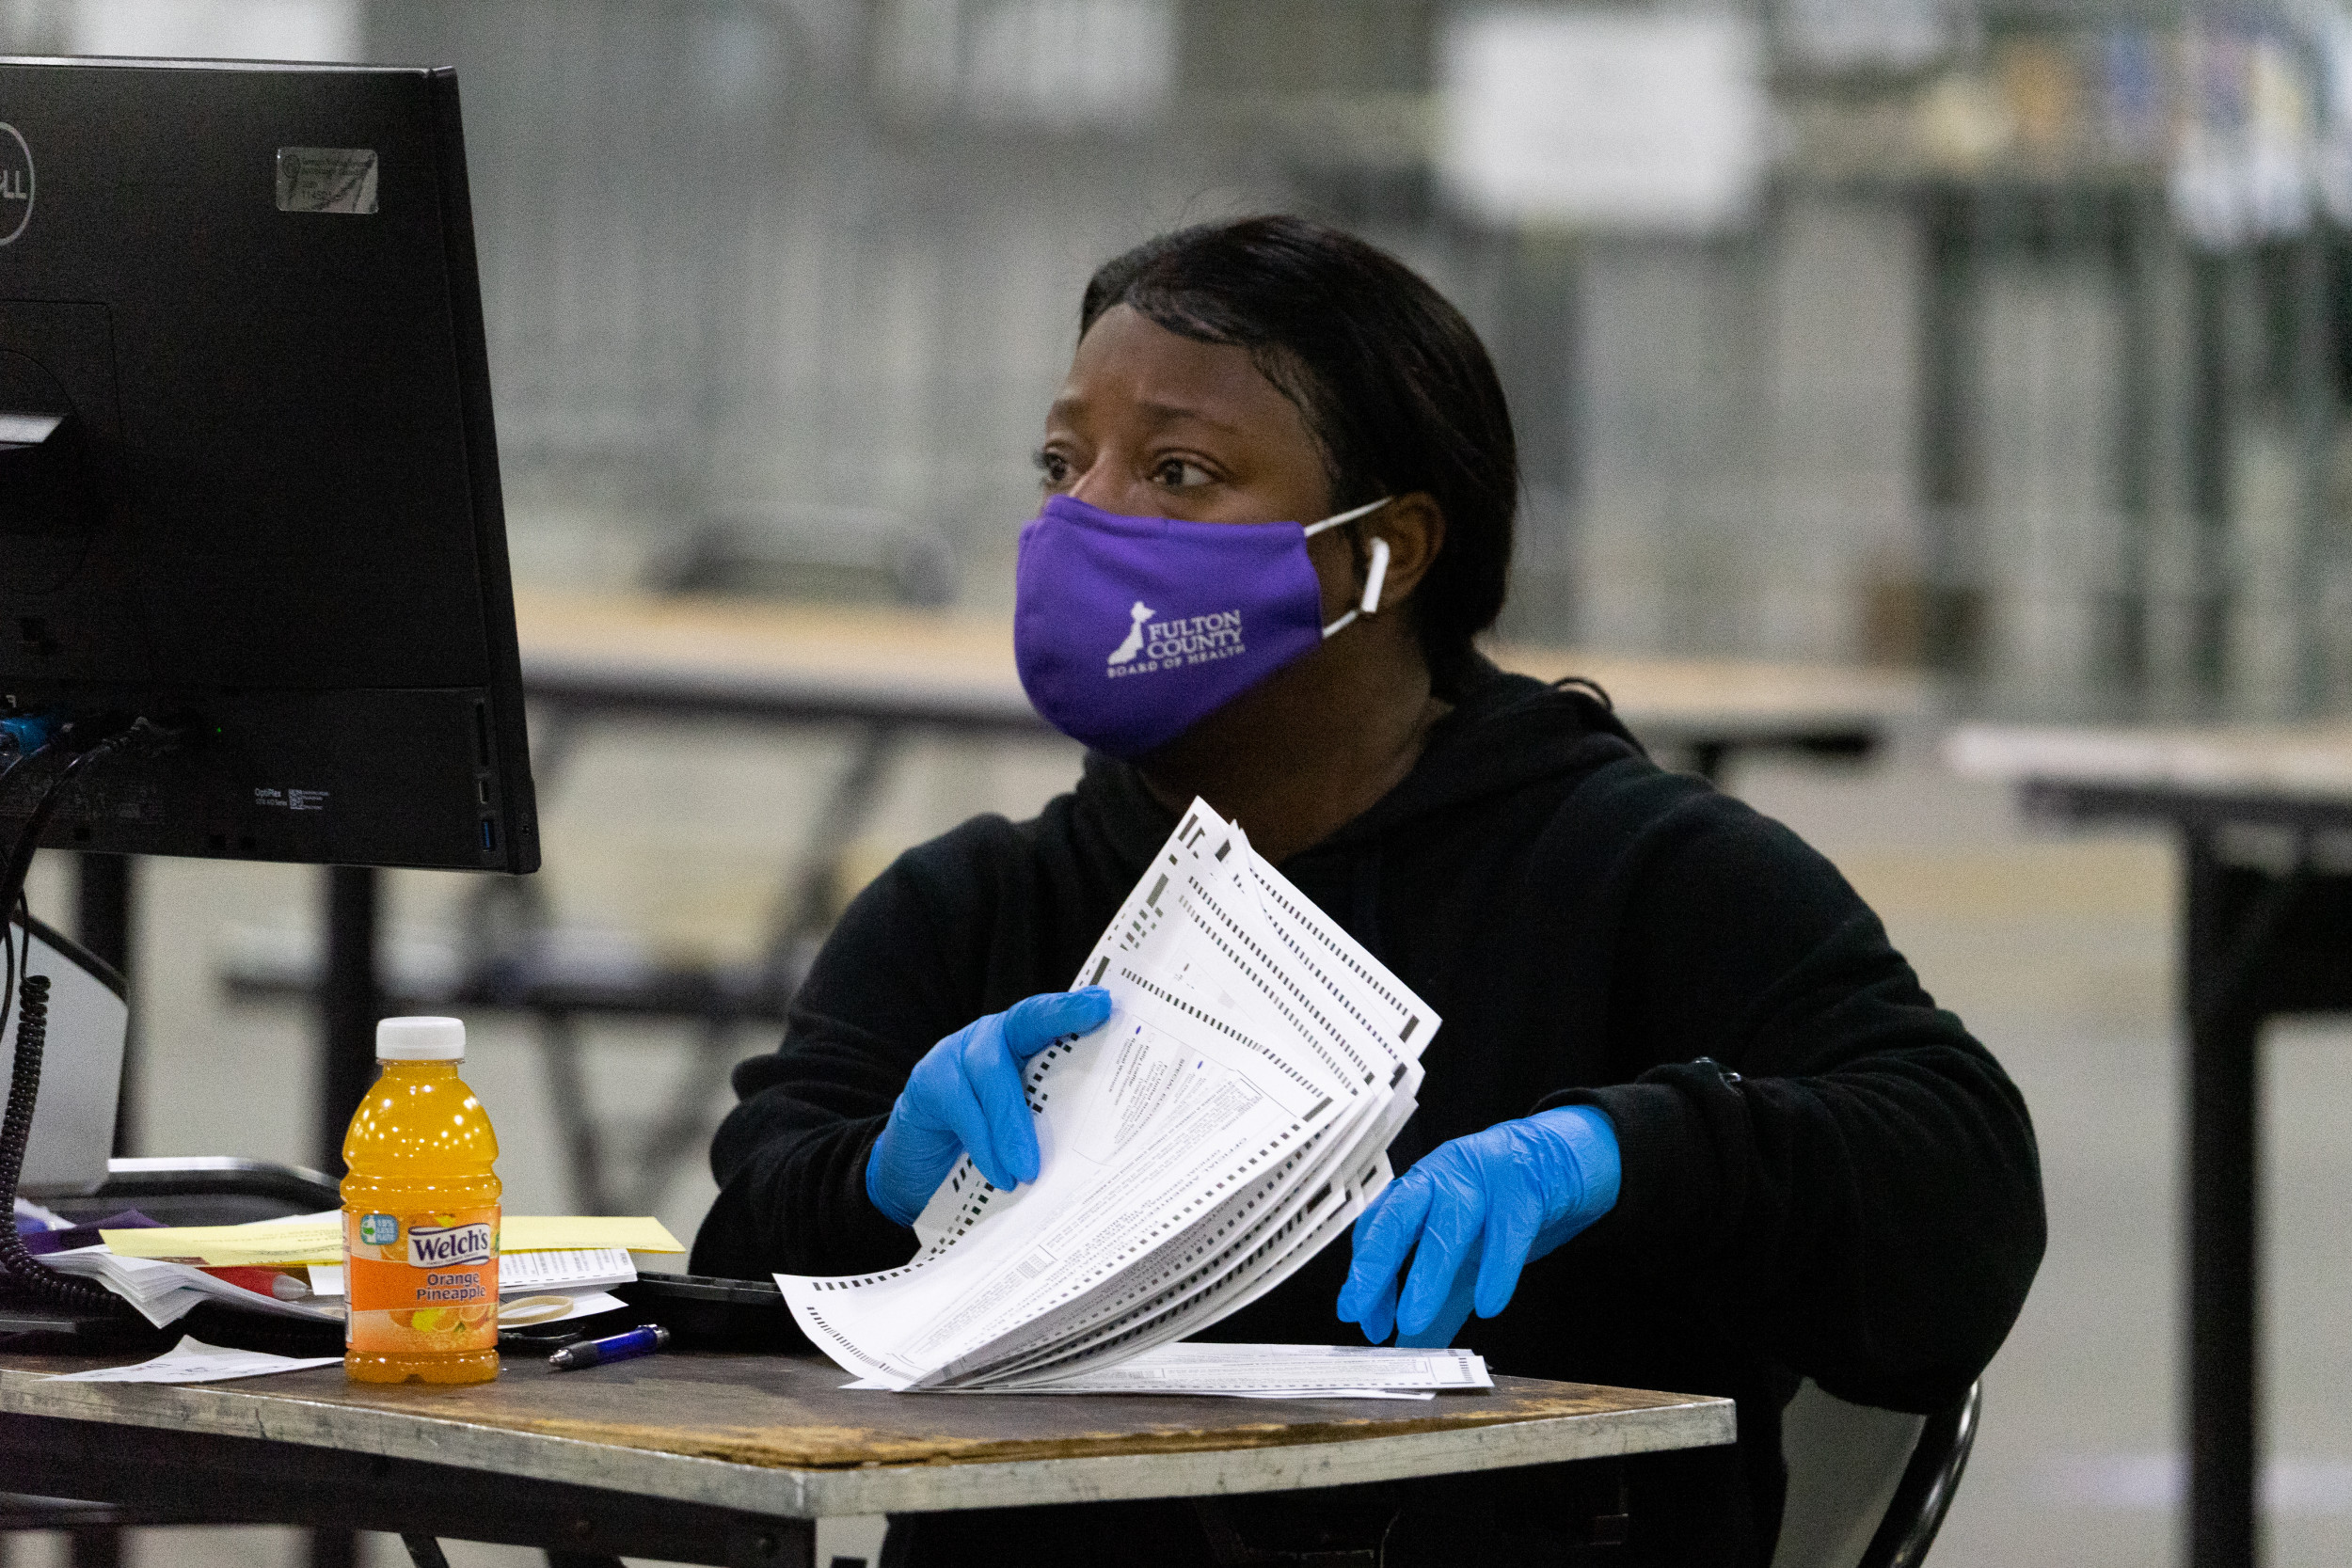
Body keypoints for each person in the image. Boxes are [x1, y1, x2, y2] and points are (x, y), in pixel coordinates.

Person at [691, 215, 2045, 1566]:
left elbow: (1960, 1200)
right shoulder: (972, 911)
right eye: (1063, 463)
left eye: (1178, 470)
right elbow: (731, 1304)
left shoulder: (1642, 875)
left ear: (1385, 552)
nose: (1086, 516)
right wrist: (873, 1183)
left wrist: (1631, 1152)